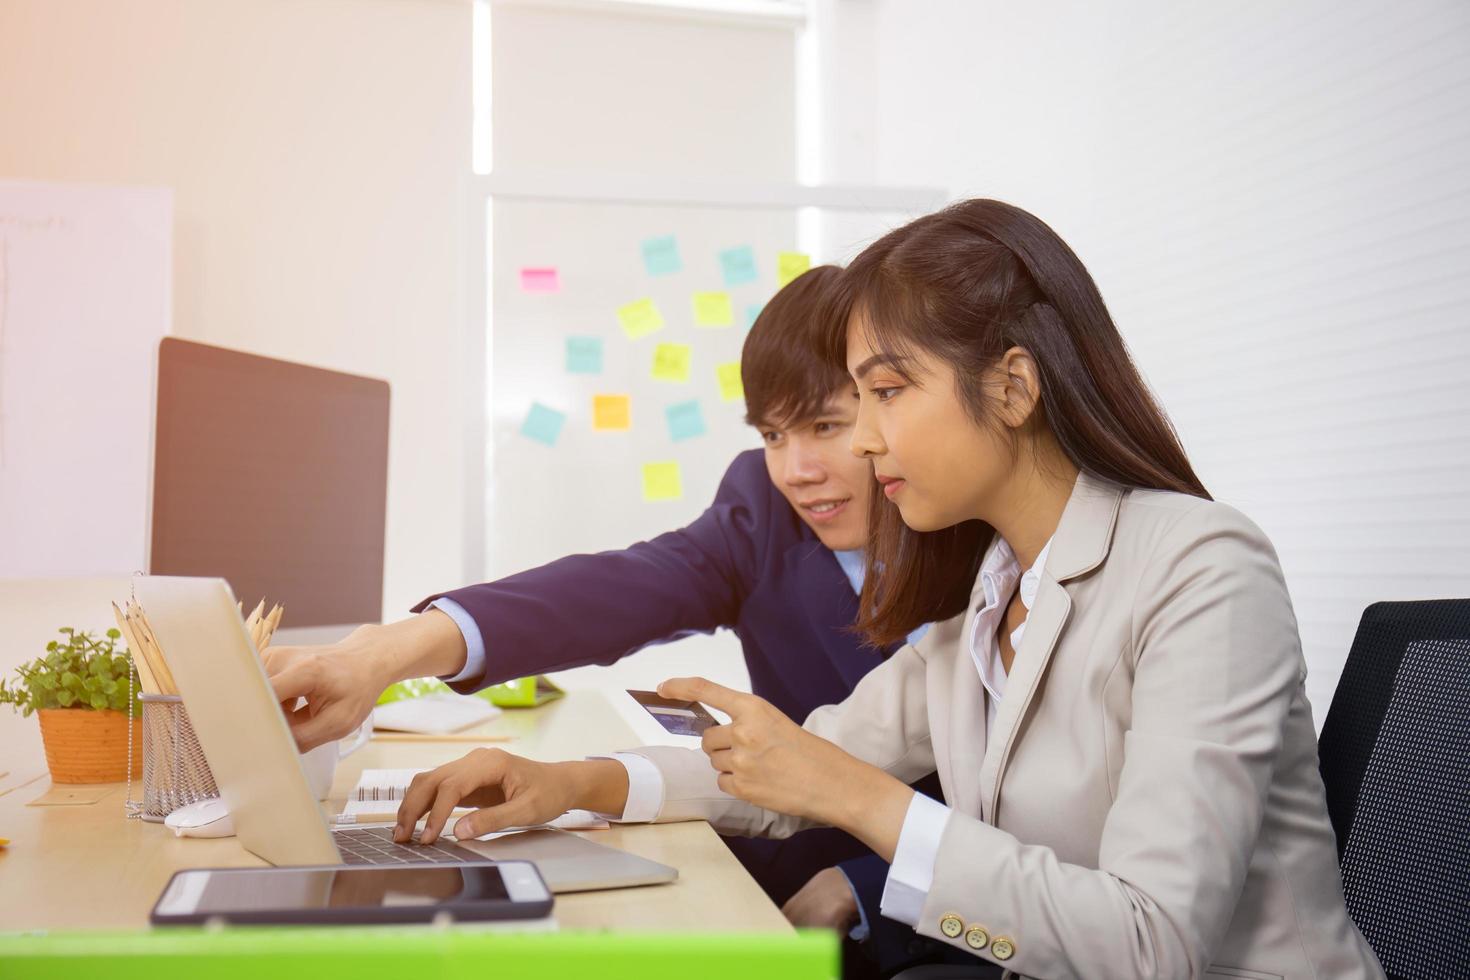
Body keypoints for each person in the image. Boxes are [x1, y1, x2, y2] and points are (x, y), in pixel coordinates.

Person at [392, 200, 1385, 980]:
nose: (860, 443)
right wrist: (578, 784)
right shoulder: (991, 597)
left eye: (884, 393)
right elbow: (807, 757)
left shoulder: (1202, 568)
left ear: (1012, 386)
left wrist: (861, 802)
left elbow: (1149, 942)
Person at [265, 265, 954, 976]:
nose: (796, 467)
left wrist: (868, 888)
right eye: (774, 434)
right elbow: (614, 591)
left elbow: (1038, 829)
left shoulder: (987, 550)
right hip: (777, 877)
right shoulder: (765, 508)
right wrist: (385, 653)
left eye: (827, 426)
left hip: (946, 923)